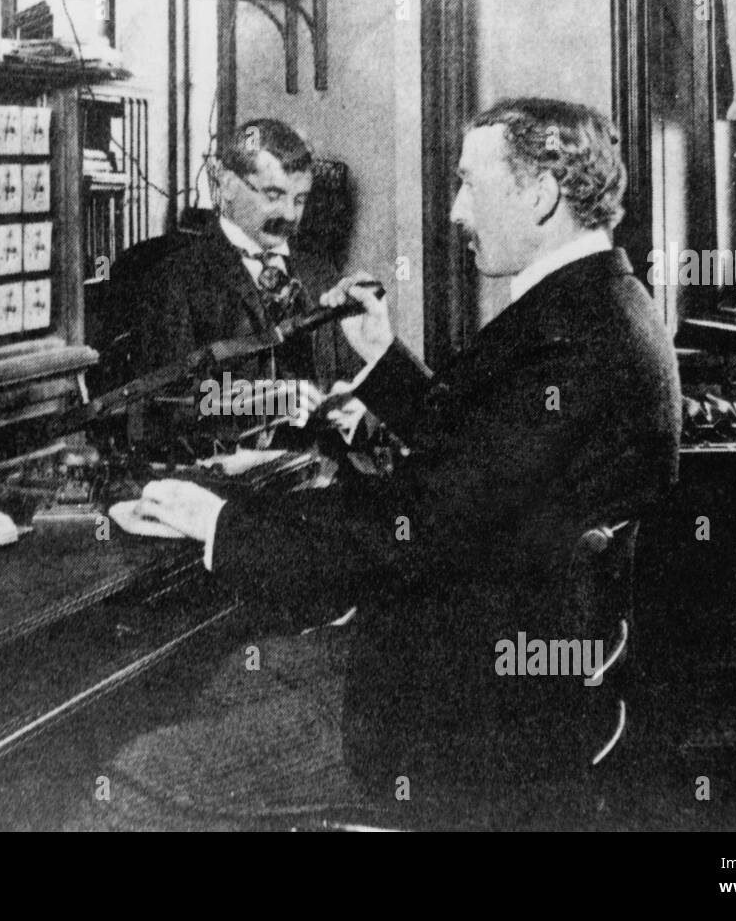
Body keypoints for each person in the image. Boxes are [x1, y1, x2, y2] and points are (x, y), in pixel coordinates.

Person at [82, 98, 682, 828]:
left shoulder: (571, 343)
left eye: (469, 184)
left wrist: (222, 523)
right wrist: (384, 363)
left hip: (451, 719)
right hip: (486, 670)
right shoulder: (603, 308)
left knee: (128, 774)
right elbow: (482, 463)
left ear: (540, 193)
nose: (456, 210)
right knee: (219, 683)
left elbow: (414, 525)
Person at [96, 118, 363, 455]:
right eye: (273, 195)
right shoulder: (174, 279)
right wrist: (264, 402)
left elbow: (352, 377)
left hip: (321, 476)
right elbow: (161, 407)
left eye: (300, 199)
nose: (290, 215)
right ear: (228, 184)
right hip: (229, 484)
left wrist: (356, 404)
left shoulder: (321, 274)